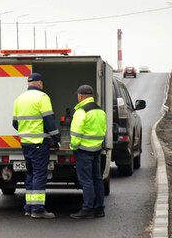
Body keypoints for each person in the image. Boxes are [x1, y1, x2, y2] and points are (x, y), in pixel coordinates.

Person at [13, 72, 61, 219]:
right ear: (40, 83)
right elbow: (49, 120)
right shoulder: (42, 97)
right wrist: (56, 137)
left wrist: (26, 132)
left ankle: (29, 207)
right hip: (39, 144)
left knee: (31, 175)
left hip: (25, 143)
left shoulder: (19, 99)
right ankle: (38, 210)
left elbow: (15, 123)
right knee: (40, 175)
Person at [69, 84, 107, 219]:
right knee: (97, 178)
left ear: (80, 96)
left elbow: (76, 133)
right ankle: (99, 208)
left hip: (83, 150)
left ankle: (87, 209)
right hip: (96, 149)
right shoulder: (100, 111)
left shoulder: (81, 112)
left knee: (86, 180)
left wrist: (73, 146)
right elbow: (103, 130)